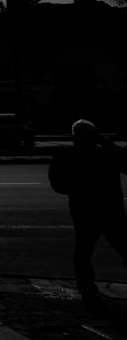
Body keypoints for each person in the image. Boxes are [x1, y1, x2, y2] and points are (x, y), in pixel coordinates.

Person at [65, 119, 127, 315]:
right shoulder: (107, 155)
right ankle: (89, 294)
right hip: (111, 212)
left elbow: (58, 184)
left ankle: (89, 294)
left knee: (83, 255)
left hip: (84, 213)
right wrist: (109, 144)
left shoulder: (68, 156)